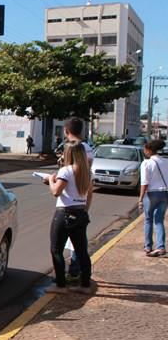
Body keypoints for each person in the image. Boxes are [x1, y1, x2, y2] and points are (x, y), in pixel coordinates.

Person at [44, 141, 93, 293]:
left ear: (68, 154)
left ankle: (60, 285)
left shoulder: (65, 171)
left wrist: (51, 181)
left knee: (56, 249)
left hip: (64, 213)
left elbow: (56, 192)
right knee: (81, 251)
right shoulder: (87, 172)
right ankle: (85, 285)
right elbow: (89, 195)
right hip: (80, 213)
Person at [63, 117, 94, 280]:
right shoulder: (88, 148)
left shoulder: (73, 148)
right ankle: (77, 268)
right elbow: (88, 178)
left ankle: (75, 268)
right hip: (82, 198)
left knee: (74, 237)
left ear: (66, 131)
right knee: (78, 236)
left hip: (70, 200)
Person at [139, 139, 168, 257]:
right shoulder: (166, 161)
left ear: (149, 150)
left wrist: (140, 199)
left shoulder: (146, 163)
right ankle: (161, 247)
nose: (144, 152)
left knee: (148, 219)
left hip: (151, 194)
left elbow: (144, 183)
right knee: (159, 220)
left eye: (145, 149)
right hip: (165, 194)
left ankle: (148, 246)